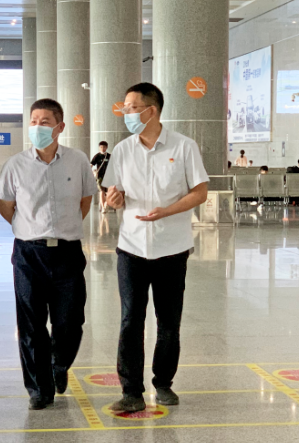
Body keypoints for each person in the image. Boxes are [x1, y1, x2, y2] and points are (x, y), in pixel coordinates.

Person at [103, 83, 209, 413]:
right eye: (125, 107)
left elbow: (200, 192)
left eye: (132, 107)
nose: (126, 112)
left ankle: (163, 382)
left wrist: (167, 211)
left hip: (172, 248)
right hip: (131, 247)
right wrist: (113, 199)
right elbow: (113, 194)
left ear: (152, 110)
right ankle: (131, 390)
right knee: (130, 320)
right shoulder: (122, 150)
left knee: (168, 321)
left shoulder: (184, 146)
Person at [0, 99, 96, 410]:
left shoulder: (78, 161)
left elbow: (85, 200)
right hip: (29, 254)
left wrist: (63, 228)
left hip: (67, 252)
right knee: (31, 325)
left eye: (44, 121)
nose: (37, 127)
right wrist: (31, 229)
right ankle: (39, 388)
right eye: (33, 121)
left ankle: (58, 363)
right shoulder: (15, 165)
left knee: (70, 321)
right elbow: (6, 207)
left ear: (60, 127)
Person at [91, 141, 111, 213]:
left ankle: (106, 203)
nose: (102, 148)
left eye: (104, 147)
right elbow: (91, 165)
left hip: (109, 176)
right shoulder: (97, 156)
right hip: (100, 177)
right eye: (101, 147)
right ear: (99, 148)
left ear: (106, 147)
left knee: (109, 191)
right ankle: (103, 207)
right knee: (101, 191)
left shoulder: (109, 156)